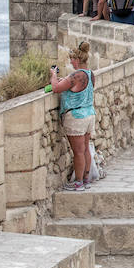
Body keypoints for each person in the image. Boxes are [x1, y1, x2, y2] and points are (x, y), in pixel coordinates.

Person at [50, 42, 96, 192]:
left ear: (77, 59)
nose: (71, 62)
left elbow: (56, 88)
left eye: (72, 59)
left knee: (78, 152)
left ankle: (78, 183)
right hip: (89, 114)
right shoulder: (90, 74)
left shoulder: (76, 75)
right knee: (85, 150)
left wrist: (53, 75)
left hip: (76, 117)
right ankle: (86, 179)